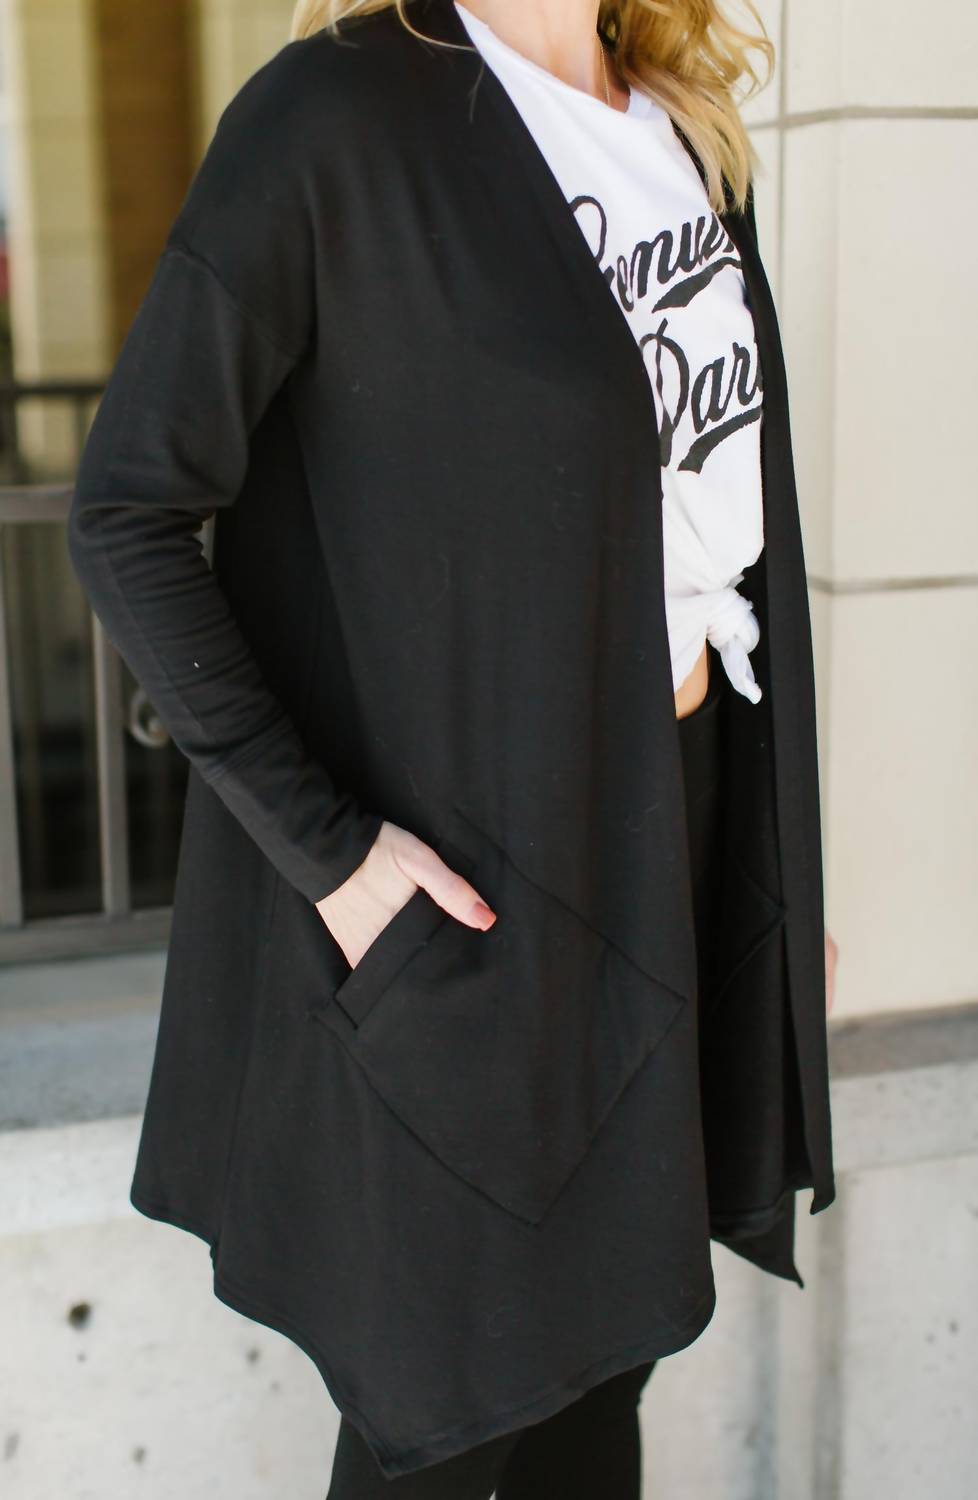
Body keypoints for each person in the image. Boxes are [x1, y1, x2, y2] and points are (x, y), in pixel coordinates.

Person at [67, 0, 839, 1493]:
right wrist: (333, 856)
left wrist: (768, 862)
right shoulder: (335, 118)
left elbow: (715, 531)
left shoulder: (682, 133)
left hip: (675, 838)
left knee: (597, 1376)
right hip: (478, 880)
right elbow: (127, 514)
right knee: (445, 1416)